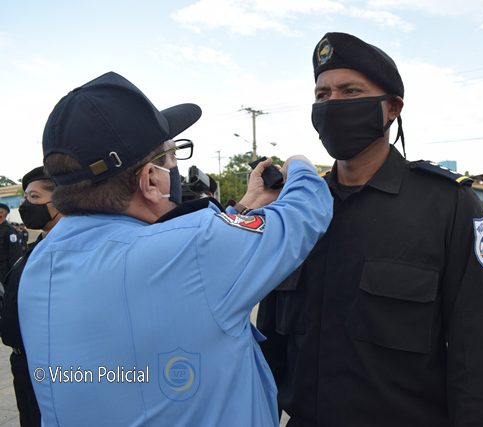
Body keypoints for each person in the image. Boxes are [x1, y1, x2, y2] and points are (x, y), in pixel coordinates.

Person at [18, 71, 333, 427]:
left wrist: (246, 205)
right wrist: (300, 166)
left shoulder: (40, 263)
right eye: (171, 155)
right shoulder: (195, 249)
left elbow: (179, 263)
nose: (176, 169)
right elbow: (304, 214)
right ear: (151, 180)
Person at [257, 32, 483, 427]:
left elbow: (482, 351)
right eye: (323, 95)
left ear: (392, 108)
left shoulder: (447, 204)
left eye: (350, 91)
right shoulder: (299, 209)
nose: (333, 105)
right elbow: (270, 345)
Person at [1, 166, 63, 426]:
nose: (26, 204)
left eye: (34, 197)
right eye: (25, 197)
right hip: (23, 363)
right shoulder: (39, 247)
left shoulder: (67, 250)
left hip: (48, 365)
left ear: (60, 201)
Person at [0, 203, 23, 283]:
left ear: (2, 214)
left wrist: (13, 274)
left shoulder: (9, 231)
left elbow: (15, 254)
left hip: (4, 272)